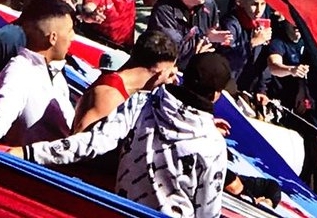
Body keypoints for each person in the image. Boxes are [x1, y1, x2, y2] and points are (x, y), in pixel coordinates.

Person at [16, 52, 231, 218]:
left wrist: (30, 153)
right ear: (216, 95)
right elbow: (208, 211)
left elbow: (92, 142)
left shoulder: (141, 103)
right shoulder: (212, 144)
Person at [0, 0, 76, 146]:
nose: (72, 37)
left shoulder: (58, 77)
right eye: (69, 31)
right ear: (53, 38)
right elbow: (5, 110)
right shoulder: (20, 71)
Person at [73, 31, 179, 132]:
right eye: (170, 73)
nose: (174, 80)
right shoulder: (110, 96)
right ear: (160, 73)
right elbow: (77, 142)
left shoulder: (126, 90)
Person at [146, 0, 230, 68]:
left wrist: (218, 39)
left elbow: (213, 29)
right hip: (172, 69)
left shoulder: (208, 2)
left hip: (201, 64)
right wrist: (206, 39)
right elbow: (172, 49)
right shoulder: (163, 12)